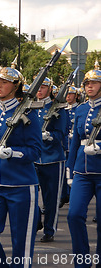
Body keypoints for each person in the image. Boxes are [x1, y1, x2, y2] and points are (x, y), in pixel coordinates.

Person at [0, 64, 41, 268]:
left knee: (20, 243)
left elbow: (35, 150)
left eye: (4, 82)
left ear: (16, 86)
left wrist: (13, 153)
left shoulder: (29, 114)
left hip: (21, 185)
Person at [67, 63, 101, 267]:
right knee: (74, 215)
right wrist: (70, 170)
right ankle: (82, 260)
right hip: (82, 170)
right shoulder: (80, 110)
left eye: (95, 83)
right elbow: (74, 142)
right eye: (87, 83)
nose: (90, 86)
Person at [35, 77, 67, 243]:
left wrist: (48, 135)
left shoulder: (58, 109)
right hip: (34, 159)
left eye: (43, 87)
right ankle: (35, 221)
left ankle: (49, 230)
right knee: (30, 196)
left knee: (51, 198)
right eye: (38, 87)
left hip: (52, 158)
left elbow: (61, 133)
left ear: (50, 89)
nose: (39, 90)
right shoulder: (31, 108)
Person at [59, 85, 80, 208]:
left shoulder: (79, 109)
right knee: (63, 173)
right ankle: (63, 196)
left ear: (76, 96)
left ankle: (73, 196)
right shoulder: (64, 110)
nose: (68, 96)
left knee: (74, 173)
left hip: (75, 146)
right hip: (65, 145)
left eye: (71, 94)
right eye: (67, 94)